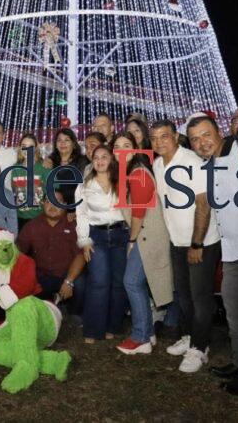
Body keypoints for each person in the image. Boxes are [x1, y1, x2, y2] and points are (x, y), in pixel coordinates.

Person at [186, 115, 238, 391]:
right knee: (235, 311)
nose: (202, 142)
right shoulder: (207, 166)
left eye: (206, 134)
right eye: (195, 139)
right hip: (231, 250)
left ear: (219, 131)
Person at [150, 120, 220, 373]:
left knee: (200, 298)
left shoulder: (191, 161)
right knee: (184, 295)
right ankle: (191, 336)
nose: (159, 142)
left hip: (201, 242)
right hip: (177, 241)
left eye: (164, 137)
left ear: (176, 137)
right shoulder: (158, 164)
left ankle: (200, 349)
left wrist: (196, 243)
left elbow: (204, 204)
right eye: (154, 138)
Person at [111, 133, 173, 356]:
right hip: (144, 235)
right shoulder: (126, 172)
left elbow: (138, 215)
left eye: (126, 146)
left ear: (136, 149)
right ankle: (147, 334)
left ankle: (140, 337)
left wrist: (131, 241)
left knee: (131, 282)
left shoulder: (138, 173)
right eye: (117, 146)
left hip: (148, 236)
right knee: (136, 284)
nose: (121, 150)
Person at [75, 145, 128, 344]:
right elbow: (81, 215)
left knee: (118, 283)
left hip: (121, 234)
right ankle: (93, 329)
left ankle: (113, 326)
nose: (100, 160)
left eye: (104, 156)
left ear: (111, 159)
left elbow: (131, 209)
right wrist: (84, 240)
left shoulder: (122, 181)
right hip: (97, 235)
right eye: (96, 157)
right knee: (98, 281)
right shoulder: (84, 186)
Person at [16, 190, 85, 312]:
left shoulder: (74, 225)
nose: (52, 206)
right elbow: (18, 252)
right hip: (42, 275)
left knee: (80, 283)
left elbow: (80, 256)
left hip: (66, 275)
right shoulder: (32, 226)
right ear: (43, 204)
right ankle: (50, 303)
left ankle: (74, 314)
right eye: (48, 201)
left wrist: (69, 281)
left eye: (58, 202)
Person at [12, 133, 50, 230]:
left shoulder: (44, 167)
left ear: (36, 148)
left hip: (39, 218)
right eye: (24, 146)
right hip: (19, 218)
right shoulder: (15, 169)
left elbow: (54, 191)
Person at [47, 128, 89, 205]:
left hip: (76, 207)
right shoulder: (50, 161)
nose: (63, 143)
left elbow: (85, 189)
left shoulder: (82, 162)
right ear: (56, 145)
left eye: (67, 140)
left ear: (74, 144)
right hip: (55, 207)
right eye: (59, 140)